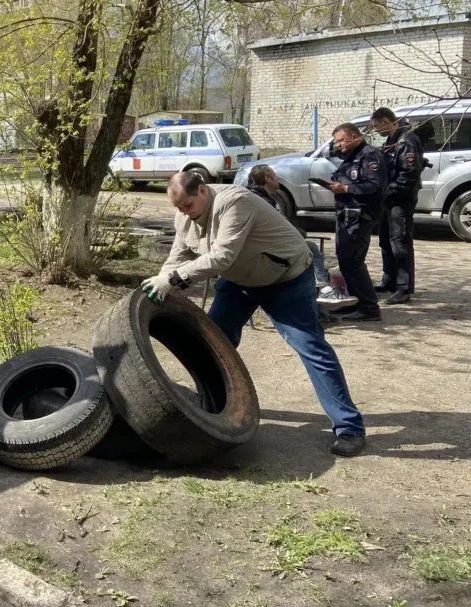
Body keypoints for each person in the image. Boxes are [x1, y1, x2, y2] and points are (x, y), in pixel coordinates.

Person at [141, 172, 367, 457]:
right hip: (240, 280)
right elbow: (180, 254)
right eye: (178, 208)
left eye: (187, 205)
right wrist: (161, 280)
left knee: (311, 348)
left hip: (285, 279)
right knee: (212, 343)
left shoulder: (235, 202)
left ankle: (349, 427)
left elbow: (222, 256)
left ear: (202, 190)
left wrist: (174, 279)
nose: (184, 212)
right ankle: (214, 407)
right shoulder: (184, 214)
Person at [246, 164, 358, 313]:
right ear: (267, 179)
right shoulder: (262, 202)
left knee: (307, 251)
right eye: (275, 176)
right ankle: (323, 290)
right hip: (265, 253)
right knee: (309, 250)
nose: (278, 179)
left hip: (260, 248)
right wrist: (299, 233)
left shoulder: (257, 197)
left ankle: (318, 303)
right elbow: (278, 229)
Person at [328, 122, 387, 322]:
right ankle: (355, 302)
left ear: (354, 136)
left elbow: (374, 186)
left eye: (341, 141)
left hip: (360, 216)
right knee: (344, 260)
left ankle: (369, 308)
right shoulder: (350, 156)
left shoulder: (370, 156)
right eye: (336, 142)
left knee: (353, 261)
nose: (338, 145)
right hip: (346, 215)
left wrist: (345, 189)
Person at [370, 107, 424, 305]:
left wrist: (388, 192)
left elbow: (408, 176)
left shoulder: (406, 141)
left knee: (400, 243)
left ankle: (404, 288)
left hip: (401, 199)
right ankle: (389, 280)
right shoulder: (392, 140)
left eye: (377, 126)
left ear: (386, 121)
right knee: (385, 240)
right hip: (389, 199)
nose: (376, 130)